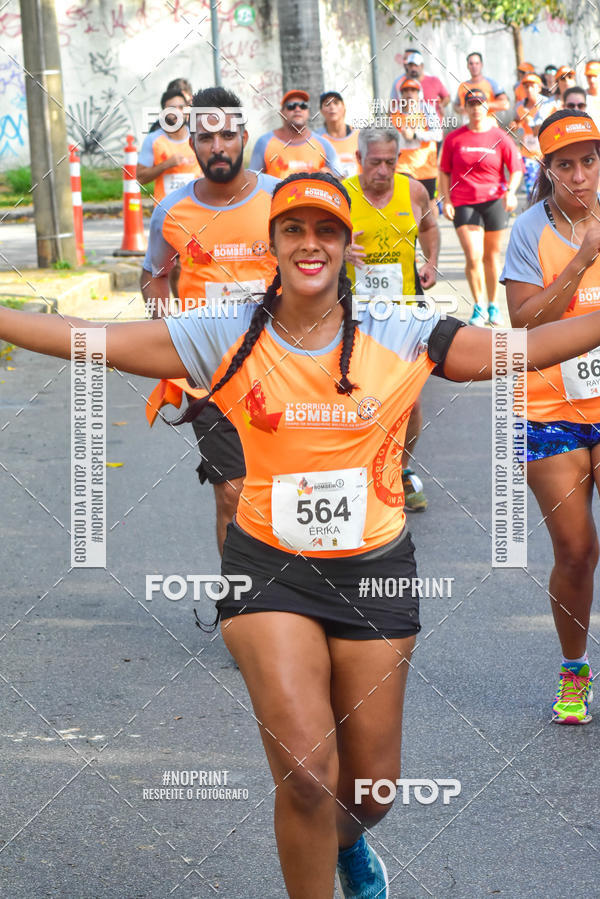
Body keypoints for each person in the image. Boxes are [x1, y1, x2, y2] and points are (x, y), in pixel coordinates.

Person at [4, 172, 600, 899]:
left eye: (326, 231)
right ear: (274, 245)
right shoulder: (226, 331)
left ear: (347, 246)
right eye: (294, 230)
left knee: (371, 790)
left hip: (375, 575)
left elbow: (527, 348)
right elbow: (91, 338)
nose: (310, 244)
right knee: (310, 775)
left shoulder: (402, 329)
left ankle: (349, 844)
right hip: (269, 572)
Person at [141, 86, 278, 555]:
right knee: (233, 491)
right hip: (211, 376)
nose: (217, 146)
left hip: (285, 367)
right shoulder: (171, 211)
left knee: (289, 488)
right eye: (205, 137)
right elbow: (154, 278)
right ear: (193, 143)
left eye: (227, 134)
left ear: (244, 134)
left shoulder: (279, 199)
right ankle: (241, 601)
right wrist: (171, 335)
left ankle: (299, 593)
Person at [502, 108, 600, 725]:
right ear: (548, 171)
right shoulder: (528, 230)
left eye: (589, 160)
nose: (579, 175)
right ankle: (573, 672)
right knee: (575, 550)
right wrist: (581, 259)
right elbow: (523, 322)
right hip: (549, 407)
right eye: (564, 164)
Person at [343, 126, 439, 512]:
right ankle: (356, 472)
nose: (382, 171)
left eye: (390, 161)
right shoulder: (341, 193)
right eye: (374, 162)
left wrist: (430, 261)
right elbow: (317, 241)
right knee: (357, 399)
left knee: (409, 403)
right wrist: (340, 252)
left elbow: (430, 226)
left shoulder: (413, 190)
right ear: (359, 160)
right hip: (353, 316)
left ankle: (398, 470)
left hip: (403, 314)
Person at [439, 88, 522, 327]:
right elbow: (444, 171)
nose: (476, 108)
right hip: (464, 201)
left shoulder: (500, 136)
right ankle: (478, 306)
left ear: (487, 107)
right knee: (473, 256)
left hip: (494, 200)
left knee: (491, 256)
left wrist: (511, 192)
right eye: (471, 104)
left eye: (480, 103)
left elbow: (515, 168)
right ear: (465, 108)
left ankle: (494, 305)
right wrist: (446, 200)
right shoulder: (455, 138)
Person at [249, 89, 339, 178]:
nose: (297, 109)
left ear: (308, 112)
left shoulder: (323, 144)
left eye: (303, 106)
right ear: (281, 113)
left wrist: (329, 176)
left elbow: (340, 179)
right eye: (291, 106)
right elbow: (253, 179)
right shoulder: (264, 142)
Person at [137, 87, 201, 205]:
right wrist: (166, 165)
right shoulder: (153, 140)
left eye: (181, 107)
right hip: (166, 211)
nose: (177, 112)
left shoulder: (199, 137)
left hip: (196, 208)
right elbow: (140, 178)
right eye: (172, 108)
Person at [393, 78, 443, 217]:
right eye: (406, 90)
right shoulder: (394, 114)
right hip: (402, 167)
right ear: (400, 95)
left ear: (419, 94)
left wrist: (415, 135)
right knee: (405, 201)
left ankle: (431, 232)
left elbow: (438, 135)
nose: (409, 94)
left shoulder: (427, 110)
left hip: (425, 167)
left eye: (413, 90)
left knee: (429, 202)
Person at [510, 73, 546, 199]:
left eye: (532, 86)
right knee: (532, 190)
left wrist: (529, 118)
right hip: (528, 154)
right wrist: (515, 125)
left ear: (539, 87)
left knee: (547, 190)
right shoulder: (519, 105)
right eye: (526, 87)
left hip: (545, 154)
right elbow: (517, 122)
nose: (529, 89)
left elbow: (542, 128)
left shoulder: (547, 105)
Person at [390, 49, 450, 123]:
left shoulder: (434, 80)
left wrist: (442, 105)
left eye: (416, 65)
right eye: (411, 65)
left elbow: (447, 97)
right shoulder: (400, 83)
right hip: (410, 127)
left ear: (422, 66)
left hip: (433, 126)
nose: (413, 68)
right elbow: (392, 105)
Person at [318, 90, 360, 178]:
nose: (332, 107)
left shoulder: (359, 136)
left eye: (336, 103)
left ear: (344, 107)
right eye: (327, 104)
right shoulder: (317, 139)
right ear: (321, 110)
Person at [454, 52, 510, 116]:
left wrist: (483, 105)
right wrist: (460, 109)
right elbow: (456, 105)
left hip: (489, 123)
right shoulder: (462, 86)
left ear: (481, 65)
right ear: (467, 66)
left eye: (477, 63)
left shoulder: (491, 83)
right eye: (471, 64)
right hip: (468, 123)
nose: (474, 66)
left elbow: (506, 104)